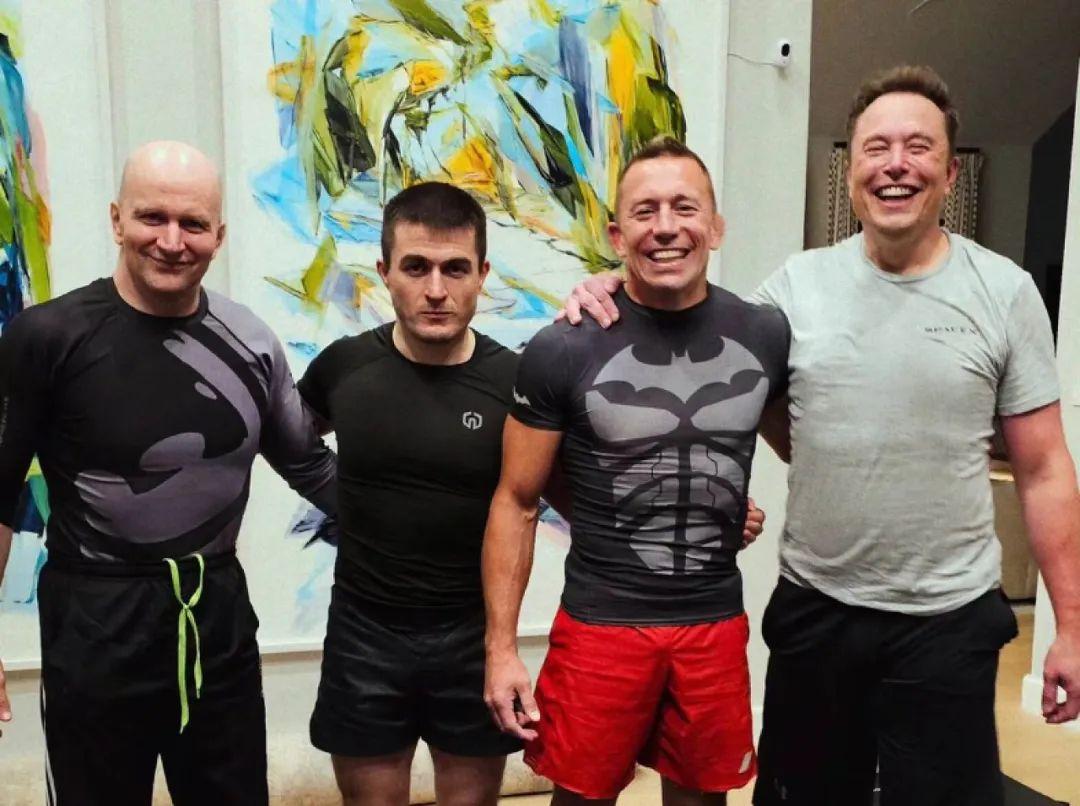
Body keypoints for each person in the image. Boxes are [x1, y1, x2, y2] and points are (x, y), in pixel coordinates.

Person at [561, 65, 1080, 806]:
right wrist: (612, 284)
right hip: (817, 613)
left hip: (948, 621)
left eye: (918, 147)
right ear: (852, 171)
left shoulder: (1005, 292)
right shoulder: (792, 291)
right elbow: (696, 338)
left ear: (949, 172)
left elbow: (1045, 469)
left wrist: (1072, 628)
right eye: (875, 148)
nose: (895, 165)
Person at [297, 180, 770, 805]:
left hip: (473, 637)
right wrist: (339, 496)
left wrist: (700, 513)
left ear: (482, 274)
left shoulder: (514, 378)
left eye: (455, 269)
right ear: (385, 272)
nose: (436, 289)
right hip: (364, 634)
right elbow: (283, 440)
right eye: (415, 267)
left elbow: (581, 489)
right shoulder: (343, 368)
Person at [0, 141, 338, 805]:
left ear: (219, 235)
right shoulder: (47, 337)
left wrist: (433, 544)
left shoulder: (251, 341)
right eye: (152, 217)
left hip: (217, 617)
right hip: (95, 619)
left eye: (193, 224)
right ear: (116, 219)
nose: (172, 241)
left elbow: (312, 468)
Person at [483, 137, 790, 805]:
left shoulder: (766, 334)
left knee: (702, 796)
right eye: (645, 211)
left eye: (685, 207)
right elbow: (517, 499)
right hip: (601, 624)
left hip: (713, 620)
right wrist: (501, 650)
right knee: (582, 796)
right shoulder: (564, 346)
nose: (666, 227)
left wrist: (723, 501)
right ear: (618, 236)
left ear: (716, 226)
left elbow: (800, 447)